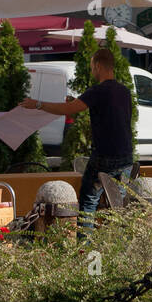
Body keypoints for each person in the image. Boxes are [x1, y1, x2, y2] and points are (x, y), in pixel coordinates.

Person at [19, 47, 132, 234]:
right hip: (126, 156)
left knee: (89, 199)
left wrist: (37, 104)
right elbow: (109, 112)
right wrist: (77, 101)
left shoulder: (97, 91)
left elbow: (67, 110)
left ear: (97, 66)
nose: (92, 71)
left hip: (105, 155)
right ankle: (117, 244)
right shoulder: (124, 92)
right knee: (117, 205)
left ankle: (85, 245)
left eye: (92, 67)